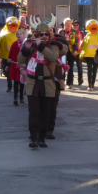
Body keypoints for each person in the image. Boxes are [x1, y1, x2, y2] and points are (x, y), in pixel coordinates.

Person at [18, 17, 64, 148]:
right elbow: (19, 59)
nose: (43, 36)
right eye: (40, 34)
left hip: (48, 83)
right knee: (34, 112)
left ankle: (42, 137)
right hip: (33, 83)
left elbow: (53, 56)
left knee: (45, 112)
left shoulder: (54, 46)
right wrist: (26, 48)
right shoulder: (31, 44)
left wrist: (41, 46)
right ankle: (33, 138)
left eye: (46, 34)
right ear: (36, 35)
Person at [0, 16, 20, 93]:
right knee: (8, 72)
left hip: (17, 57)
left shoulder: (19, 34)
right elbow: (0, 45)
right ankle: (10, 86)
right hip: (7, 57)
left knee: (17, 71)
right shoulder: (4, 35)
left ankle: (16, 86)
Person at [59, 18, 83, 89]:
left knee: (70, 67)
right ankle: (61, 81)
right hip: (63, 51)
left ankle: (69, 83)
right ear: (64, 25)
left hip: (71, 51)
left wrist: (76, 50)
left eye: (69, 23)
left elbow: (76, 42)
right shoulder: (61, 32)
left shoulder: (74, 32)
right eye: (66, 24)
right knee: (62, 66)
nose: (68, 25)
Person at [80, 20, 98, 91]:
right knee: (89, 69)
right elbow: (84, 44)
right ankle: (89, 84)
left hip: (97, 55)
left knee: (95, 70)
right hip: (89, 55)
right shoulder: (87, 35)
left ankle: (93, 84)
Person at [8, 29, 26, 105]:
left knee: (22, 82)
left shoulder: (26, 44)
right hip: (16, 65)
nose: (19, 36)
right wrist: (7, 65)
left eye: (20, 34)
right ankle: (15, 97)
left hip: (23, 65)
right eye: (17, 34)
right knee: (16, 82)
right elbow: (11, 54)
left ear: (23, 35)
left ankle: (21, 97)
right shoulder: (14, 44)